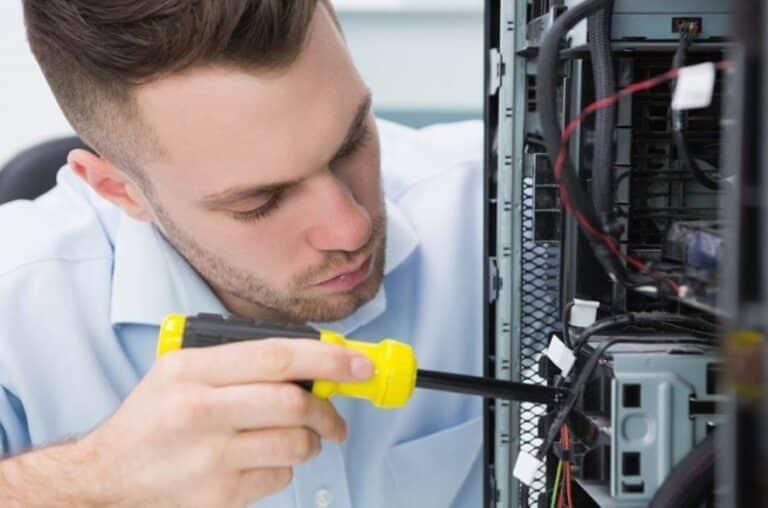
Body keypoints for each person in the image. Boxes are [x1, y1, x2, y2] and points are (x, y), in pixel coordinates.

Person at [0, 1, 483, 506]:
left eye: (352, 140)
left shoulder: (506, 203)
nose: (351, 226)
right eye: (260, 202)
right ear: (120, 190)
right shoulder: (18, 305)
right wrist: (91, 479)